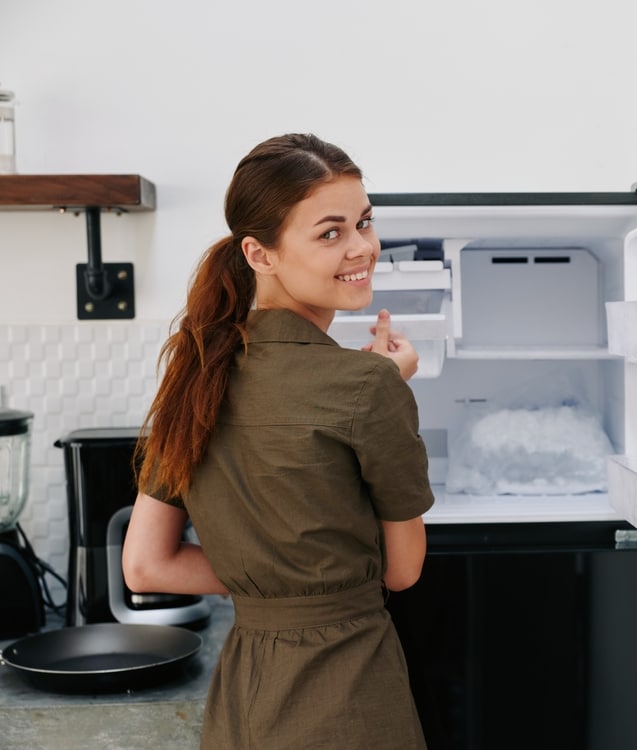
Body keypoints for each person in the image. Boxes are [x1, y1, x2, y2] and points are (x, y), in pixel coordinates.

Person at [122, 133, 435, 749]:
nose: (362, 248)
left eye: (364, 223)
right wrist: (386, 385)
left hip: (244, 697)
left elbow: (145, 563)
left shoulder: (193, 375)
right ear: (259, 255)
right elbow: (402, 570)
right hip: (349, 695)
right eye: (330, 232)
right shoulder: (368, 385)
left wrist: (267, 583)